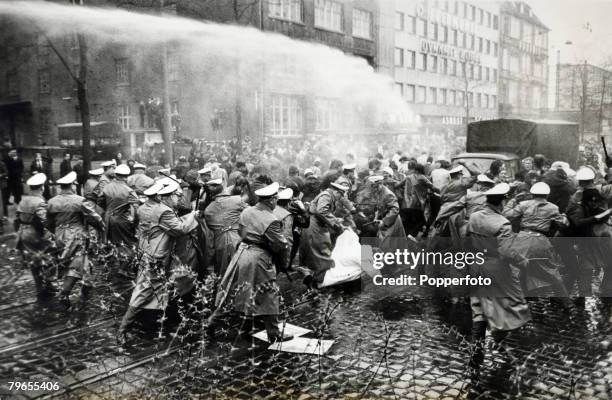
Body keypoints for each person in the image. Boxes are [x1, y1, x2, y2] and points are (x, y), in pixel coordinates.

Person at [118, 181, 199, 344]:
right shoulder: (163, 211)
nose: (177, 200)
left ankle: (158, 323)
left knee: (160, 289)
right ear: (165, 197)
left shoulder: (143, 208)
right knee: (143, 293)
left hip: (146, 253)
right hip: (157, 258)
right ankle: (123, 330)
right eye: (174, 196)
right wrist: (192, 215)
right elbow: (180, 230)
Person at [466, 183, 531, 382]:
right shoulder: (503, 223)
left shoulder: (475, 216)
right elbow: (506, 252)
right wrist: (523, 261)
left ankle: (476, 357)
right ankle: (499, 338)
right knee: (513, 304)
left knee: (478, 309)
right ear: (502, 201)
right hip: (496, 270)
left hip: (476, 266)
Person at [215, 182, 292, 343]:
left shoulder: (247, 211)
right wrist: (284, 264)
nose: (276, 201)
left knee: (233, 290)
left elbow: (241, 231)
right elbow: (280, 245)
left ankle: (212, 322)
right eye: (276, 198)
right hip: (259, 258)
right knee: (269, 292)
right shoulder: (271, 220)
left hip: (242, 253)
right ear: (270, 200)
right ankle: (274, 333)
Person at [502, 182, 570, 300]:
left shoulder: (523, 204)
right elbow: (563, 225)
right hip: (540, 241)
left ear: (532, 194)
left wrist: (513, 200)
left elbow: (506, 214)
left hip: (522, 240)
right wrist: (563, 218)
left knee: (521, 269)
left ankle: (525, 300)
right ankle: (567, 303)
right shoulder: (553, 208)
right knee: (552, 272)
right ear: (547, 195)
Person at [48, 172, 105, 309]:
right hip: (76, 236)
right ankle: (64, 294)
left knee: (71, 262)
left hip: (59, 235)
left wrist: (57, 231)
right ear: (73, 185)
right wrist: (101, 227)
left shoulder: (52, 202)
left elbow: (48, 222)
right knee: (75, 265)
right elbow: (94, 217)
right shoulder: (80, 200)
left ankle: (87, 284)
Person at [299, 178, 348, 285]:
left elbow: (323, 212)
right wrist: (337, 225)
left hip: (315, 225)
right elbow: (322, 211)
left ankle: (313, 276)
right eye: (341, 195)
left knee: (316, 252)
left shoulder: (328, 195)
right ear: (337, 192)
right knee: (321, 251)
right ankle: (321, 280)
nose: (341, 197)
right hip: (315, 227)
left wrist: (336, 221)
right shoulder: (327, 195)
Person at [15, 173, 55, 299]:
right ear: (42, 187)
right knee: (52, 255)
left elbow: (17, 218)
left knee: (34, 262)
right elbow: (45, 221)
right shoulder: (39, 201)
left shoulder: (23, 199)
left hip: (24, 232)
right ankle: (48, 283)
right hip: (35, 234)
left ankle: (40, 288)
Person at [203, 178, 248, 276]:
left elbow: (211, 228)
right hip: (238, 238)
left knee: (223, 268)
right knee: (240, 268)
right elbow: (250, 214)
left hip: (220, 242)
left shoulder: (208, 210)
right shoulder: (237, 200)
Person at [98, 164, 139, 257]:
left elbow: (100, 202)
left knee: (111, 245)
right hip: (122, 221)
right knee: (127, 245)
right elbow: (136, 209)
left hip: (107, 220)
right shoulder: (129, 191)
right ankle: (123, 268)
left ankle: (113, 266)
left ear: (116, 175)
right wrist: (135, 223)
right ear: (126, 177)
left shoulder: (106, 187)